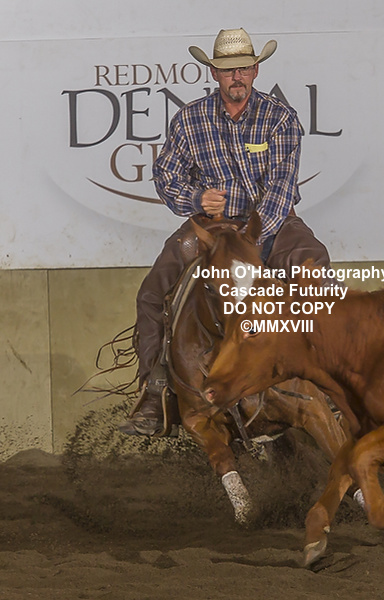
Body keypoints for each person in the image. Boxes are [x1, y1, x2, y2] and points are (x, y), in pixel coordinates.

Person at [119, 28, 336, 436]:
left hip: (269, 223)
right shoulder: (190, 119)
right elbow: (165, 176)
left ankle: (332, 380)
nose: (236, 76)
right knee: (153, 291)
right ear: (214, 74)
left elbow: (281, 188)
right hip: (211, 228)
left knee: (315, 266)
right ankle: (156, 389)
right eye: (227, 70)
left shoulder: (279, 118)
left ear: (255, 71)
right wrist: (196, 198)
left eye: (243, 68)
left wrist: (252, 244)